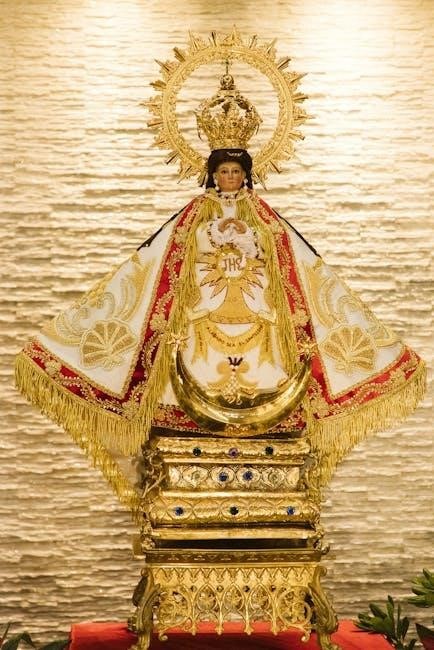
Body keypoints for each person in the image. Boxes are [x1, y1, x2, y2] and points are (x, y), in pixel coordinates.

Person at [15, 71, 426, 516]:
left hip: (256, 310)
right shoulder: (192, 218)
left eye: (236, 171)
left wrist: (256, 278)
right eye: (223, 171)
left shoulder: (266, 220)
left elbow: (297, 266)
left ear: (247, 175)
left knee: (271, 364)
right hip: (203, 312)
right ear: (211, 175)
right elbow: (158, 263)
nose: (229, 178)